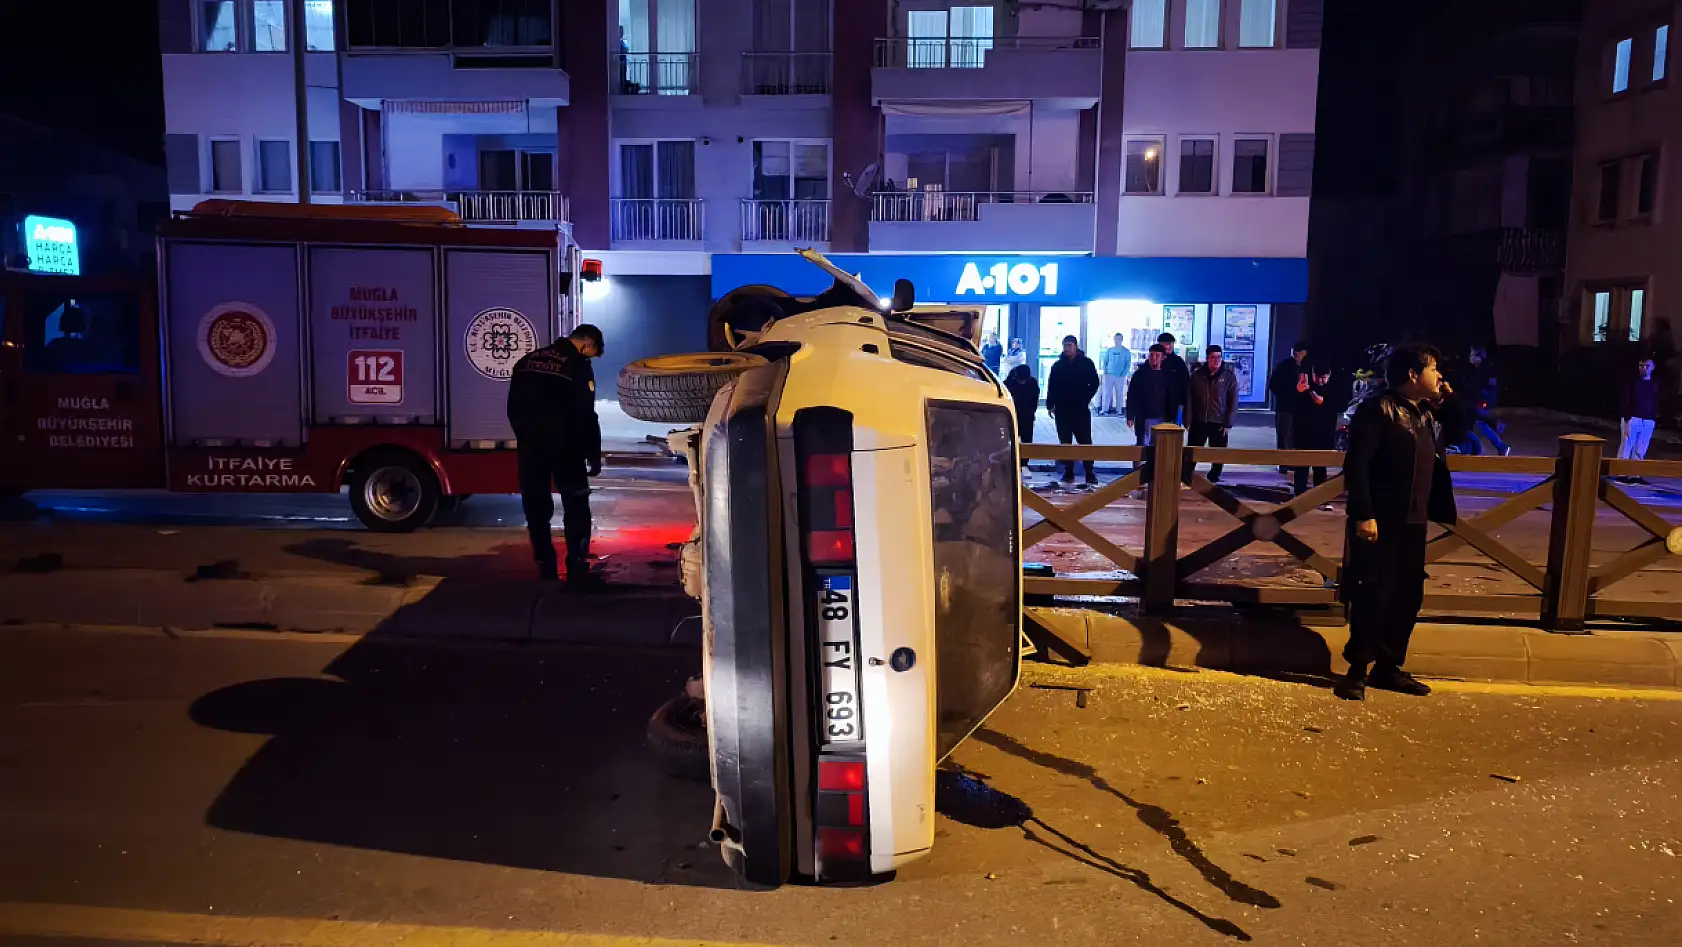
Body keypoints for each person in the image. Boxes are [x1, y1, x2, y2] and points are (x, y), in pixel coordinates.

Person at [1335, 343, 1457, 702]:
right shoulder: (1378, 410)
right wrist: (1363, 514)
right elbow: (1357, 465)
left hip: (1414, 520)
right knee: (1374, 593)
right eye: (1433, 369)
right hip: (1381, 521)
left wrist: (1448, 398)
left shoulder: (1427, 413)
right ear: (1412, 375)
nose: (1439, 376)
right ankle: (1357, 669)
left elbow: (1463, 428)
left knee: (1407, 596)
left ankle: (1389, 667)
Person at [507, 324, 606, 585]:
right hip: (567, 448)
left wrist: (527, 438)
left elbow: (512, 407)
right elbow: (586, 414)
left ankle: (546, 567)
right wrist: (593, 453)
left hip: (531, 448)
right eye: (591, 352)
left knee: (536, 510)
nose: (589, 357)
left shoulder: (528, 361)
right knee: (576, 506)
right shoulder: (576, 365)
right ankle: (575, 567)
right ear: (587, 342)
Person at [1045, 334, 1100, 485]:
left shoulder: (1086, 363)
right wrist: (1050, 404)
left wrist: (1086, 397)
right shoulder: (1058, 366)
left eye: (1070, 345)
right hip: (1062, 410)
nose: (1067, 349)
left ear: (1075, 347)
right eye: (1065, 346)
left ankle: (1089, 472)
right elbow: (1052, 386)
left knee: (1085, 441)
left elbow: (1095, 382)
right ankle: (1068, 472)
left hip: (1080, 409)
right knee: (1065, 441)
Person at [1186, 344, 1239, 483]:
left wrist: (1228, 423)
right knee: (1192, 451)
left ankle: (1214, 477)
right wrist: (1188, 420)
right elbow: (1189, 399)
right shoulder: (1197, 376)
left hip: (1219, 421)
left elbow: (1233, 402)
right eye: (1213, 357)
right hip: (1199, 420)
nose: (1216, 360)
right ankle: (1186, 476)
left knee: (1218, 453)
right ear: (1207, 359)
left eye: (1219, 357)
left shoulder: (1228, 377)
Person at [1293, 365, 1343, 496]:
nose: (1321, 381)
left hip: (1323, 432)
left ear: (1329, 375)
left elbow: (1338, 405)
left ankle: (1319, 495)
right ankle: (1299, 494)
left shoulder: (1333, 388)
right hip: (1304, 432)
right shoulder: (1304, 386)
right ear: (1313, 374)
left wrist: (1322, 400)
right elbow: (1293, 406)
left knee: (1320, 466)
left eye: (1324, 378)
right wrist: (1300, 391)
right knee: (1302, 465)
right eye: (1318, 377)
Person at [1617, 357, 1660, 483]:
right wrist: (1627, 418)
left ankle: (1635, 474)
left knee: (1641, 448)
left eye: (1647, 366)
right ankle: (1621, 473)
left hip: (1648, 421)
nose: (1644, 368)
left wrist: (1653, 418)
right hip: (1633, 418)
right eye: (1641, 365)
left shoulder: (1655, 384)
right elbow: (1625, 399)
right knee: (1626, 446)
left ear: (1653, 367)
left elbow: (1656, 401)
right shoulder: (1633, 382)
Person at [1462, 347, 1511, 456]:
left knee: (1478, 422)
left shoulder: (1486, 370)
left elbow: (1489, 389)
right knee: (1474, 423)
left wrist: (1484, 401)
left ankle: (1500, 442)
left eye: (1473, 355)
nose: (1470, 357)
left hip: (1482, 401)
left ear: (1480, 357)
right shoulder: (1474, 370)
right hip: (1475, 401)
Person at [1269, 342, 1310, 465]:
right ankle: (1284, 463)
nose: (1299, 355)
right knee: (1284, 436)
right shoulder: (1284, 366)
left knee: (1295, 436)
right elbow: (1273, 384)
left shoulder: (1306, 366)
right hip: (1286, 407)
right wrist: (1286, 395)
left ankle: (1293, 462)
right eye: (1297, 352)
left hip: (1300, 407)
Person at [1004, 364, 1040, 469]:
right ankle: (1010, 462)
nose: (1023, 382)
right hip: (1012, 416)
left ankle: (1024, 463)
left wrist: (1031, 412)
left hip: (1027, 416)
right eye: (1021, 380)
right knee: (1010, 439)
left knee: (1027, 440)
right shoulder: (1008, 383)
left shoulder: (1033, 383)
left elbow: (1035, 400)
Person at [1158, 332, 1191, 424]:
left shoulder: (1178, 362)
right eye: (1166, 344)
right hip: (1156, 407)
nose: (1169, 346)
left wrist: (1184, 403)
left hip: (1175, 406)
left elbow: (1186, 383)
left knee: (1173, 434)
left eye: (1171, 343)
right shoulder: (1154, 360)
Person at [1099, 333, 1133, 416]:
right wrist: (1105, 372)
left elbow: (1128, 363)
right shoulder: (1110, 350)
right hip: (1109, 375)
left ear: (1122, 339)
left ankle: (1119, 410)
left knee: (1119, 393)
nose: (1117, 340)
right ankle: (1104, 410)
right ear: (1114, 339)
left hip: (1120, 376)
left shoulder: (1126, 351)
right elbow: (1105, 361)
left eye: (1119, 338)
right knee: (1107, 393)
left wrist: (1124, 373)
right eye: (1116, 338)